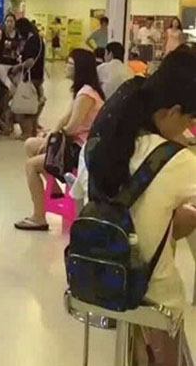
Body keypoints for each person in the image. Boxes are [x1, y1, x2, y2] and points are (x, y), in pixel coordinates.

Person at [82, 47, 196, 362]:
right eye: (190, 119)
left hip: (103, 278)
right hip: (152, 295)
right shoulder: (175, 160)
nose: (188, 129)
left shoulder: (111, 140)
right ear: (173, 111)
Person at [14, 48, 104, 231]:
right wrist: (49, 136)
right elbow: (64, 120)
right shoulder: (83, 91)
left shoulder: (86, 95)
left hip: (81, 150)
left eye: (70, 64)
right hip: (76, 144)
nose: (66, 67)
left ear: (80, 68)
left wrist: (52, 139)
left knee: (31, 165)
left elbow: (72, 127)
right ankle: (54, 188)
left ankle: (39, 217)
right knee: (31, 144)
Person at [11, 17, 46, 138]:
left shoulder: (32, 41)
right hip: (38, 75)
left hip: (31, 76)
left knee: (24, 105)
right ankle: (33, 130)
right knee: (33, 104)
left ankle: (27, 132)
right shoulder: (39, 39)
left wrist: (18, 67)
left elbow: (30, 61)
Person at [0, 13, 21, 92]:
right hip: (2, 64)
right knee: (3, 87)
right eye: (7, 21)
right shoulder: (1, 33)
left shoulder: (18, 35)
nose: (9, 24)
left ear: (15, 23)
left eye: (11, 21)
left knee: (13, 88)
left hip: (14, 65)